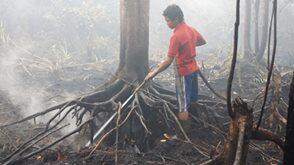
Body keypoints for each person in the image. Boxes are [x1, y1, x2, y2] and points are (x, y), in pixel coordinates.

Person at [144, 4, 206, 121]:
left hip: (183, 72)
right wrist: (188, 47)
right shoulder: (191, 29)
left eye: (168, 21)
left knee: (182, 105)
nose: (167, 23)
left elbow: (168, 61)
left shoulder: (176, 36)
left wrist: (153, 73)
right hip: (194, 69)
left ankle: (184, 133)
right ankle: (195, 120)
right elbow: (202, 41)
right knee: (192, 98)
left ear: (176, 19)